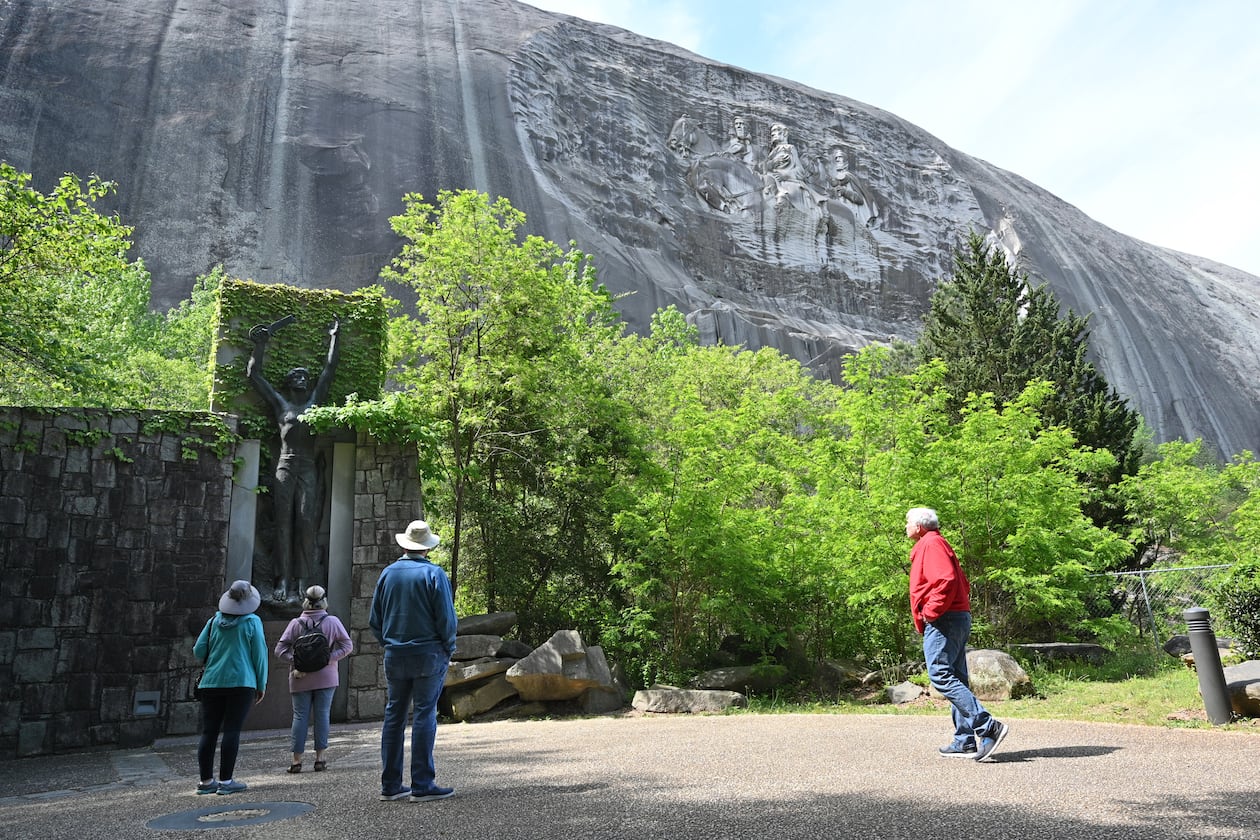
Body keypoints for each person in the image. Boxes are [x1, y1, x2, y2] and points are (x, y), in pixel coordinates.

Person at [247, 316, 342, 604]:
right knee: (283, 524)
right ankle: (282, 580)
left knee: (305, 522)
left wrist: (335, 336)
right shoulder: (281, 405)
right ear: (289, 383)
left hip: (308, 468)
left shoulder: (315, 403)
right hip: (285, 466)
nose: (303, 378)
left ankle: (303, 581)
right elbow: (253, 375)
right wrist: (260, 345)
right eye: (296, 376)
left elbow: (329, 370)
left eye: (304, 376)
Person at [905, 507, 1009, 761]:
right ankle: (965, 741)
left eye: (907, 522)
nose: (905, 526)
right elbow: (961, 582)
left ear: (919, 526)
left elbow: (947, 580)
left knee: (939, 674)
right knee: (957, 677)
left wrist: (931, 611)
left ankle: (987, 726)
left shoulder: (931, 544)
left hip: (945, 619)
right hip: (954, 617)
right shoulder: (936, 543)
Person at [369, 520, 459, 802]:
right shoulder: (434, 574)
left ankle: (391, 785)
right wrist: (449, 647)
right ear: (427, 547)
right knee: (424, 714)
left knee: (394, 716)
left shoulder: (388, 574)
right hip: (429, 653)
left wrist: (389, 643)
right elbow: (446, 618)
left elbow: (375, 619)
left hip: (395, 654)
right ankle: (422, 784)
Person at [193, 580, 268, 795]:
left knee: (209, 732)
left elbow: (199, 651)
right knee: (232, 730)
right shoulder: (252, 622)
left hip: (211, 682)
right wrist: (261, 684)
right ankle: (226, 782)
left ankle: (206, 782)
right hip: (241, 682)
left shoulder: (213, 621)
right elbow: (259, 656)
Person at [274, 584, 353, 774]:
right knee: (322, 715)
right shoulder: (332, 622)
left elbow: (279, 650)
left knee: (300, 717)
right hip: (326, 676)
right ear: (324, 601)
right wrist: (329, 658)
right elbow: (347, 645)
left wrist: (296, 661)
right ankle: (320, 758)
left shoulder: (296, 623)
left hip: (299, 676)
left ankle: (296, 760)